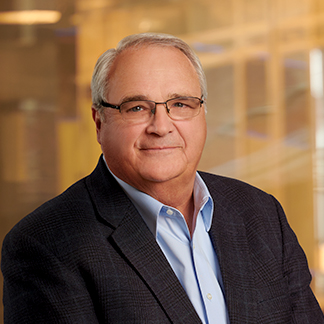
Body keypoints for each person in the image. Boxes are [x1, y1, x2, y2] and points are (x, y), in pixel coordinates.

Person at [1, 33, 323, 324]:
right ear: (99, 123)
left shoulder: (261, 214)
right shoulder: (45, 246)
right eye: (137, 108)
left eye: (180, 104)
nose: (161, 126)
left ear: (203, 114)